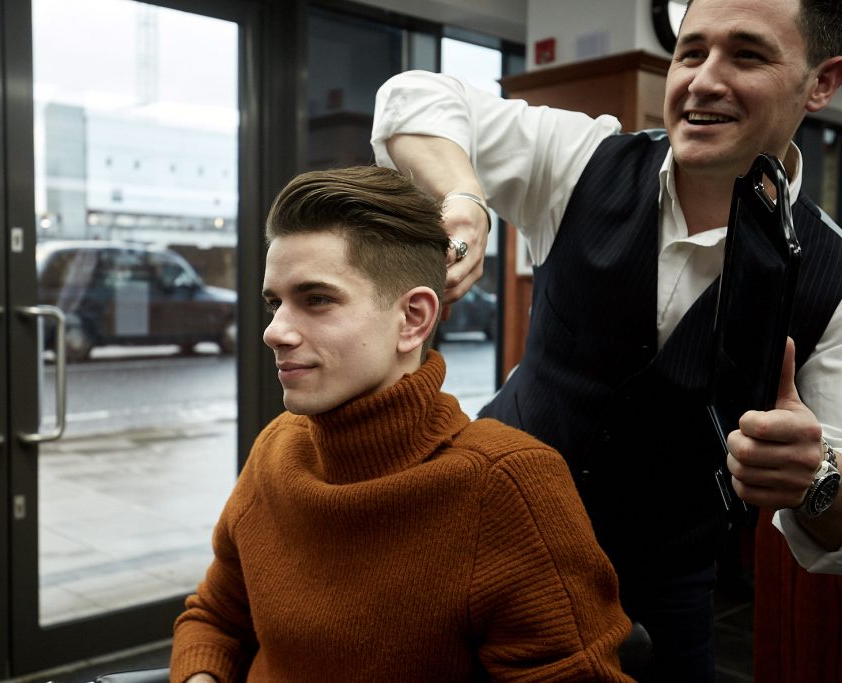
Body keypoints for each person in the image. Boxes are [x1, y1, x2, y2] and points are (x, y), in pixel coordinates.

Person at [370, 0, 842, 679]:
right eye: (691, 52)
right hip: (473, 539)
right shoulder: (580, 158)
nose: (704, 80)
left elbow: (831, 531)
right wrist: (465, 196)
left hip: (656, 595)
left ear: (820, 83)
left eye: (746, 54)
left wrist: (815, 480)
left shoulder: (832, 277)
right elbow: (411, 99)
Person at [170, 166, 632, 682]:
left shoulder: (506, 486)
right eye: (276, 303)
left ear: (412, 318)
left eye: (317, 299)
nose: (274, 332)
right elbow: (215, 618)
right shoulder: (277, 450)